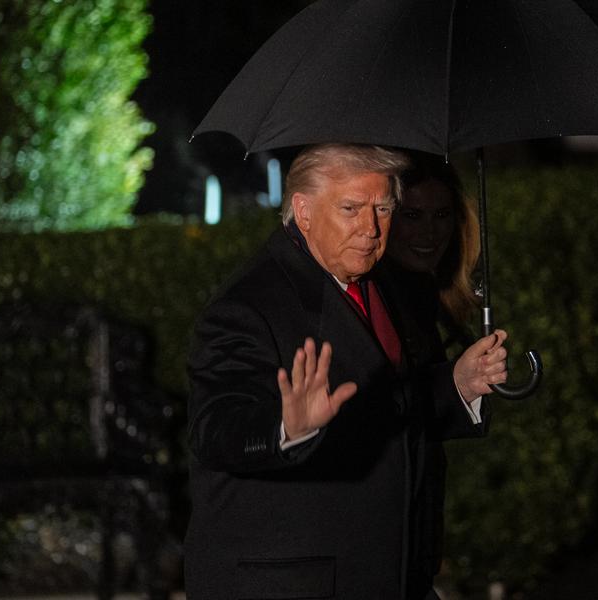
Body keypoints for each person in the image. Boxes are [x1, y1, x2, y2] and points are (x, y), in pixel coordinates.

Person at [184, 143, 508, 600]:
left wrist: (458, 384)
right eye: (352, 208)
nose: (371, 228)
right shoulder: (248, 305)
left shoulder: (380, 285)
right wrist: (286, 426)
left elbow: (386, 403)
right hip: (294, 583)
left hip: (392, 573)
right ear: (304, 211)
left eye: (383, 208)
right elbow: (214, 427)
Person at [386, 154, 481, 353]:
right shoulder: (377, 300)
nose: (429, 232)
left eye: (441, 215)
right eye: (412, 215)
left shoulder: (433, 292)